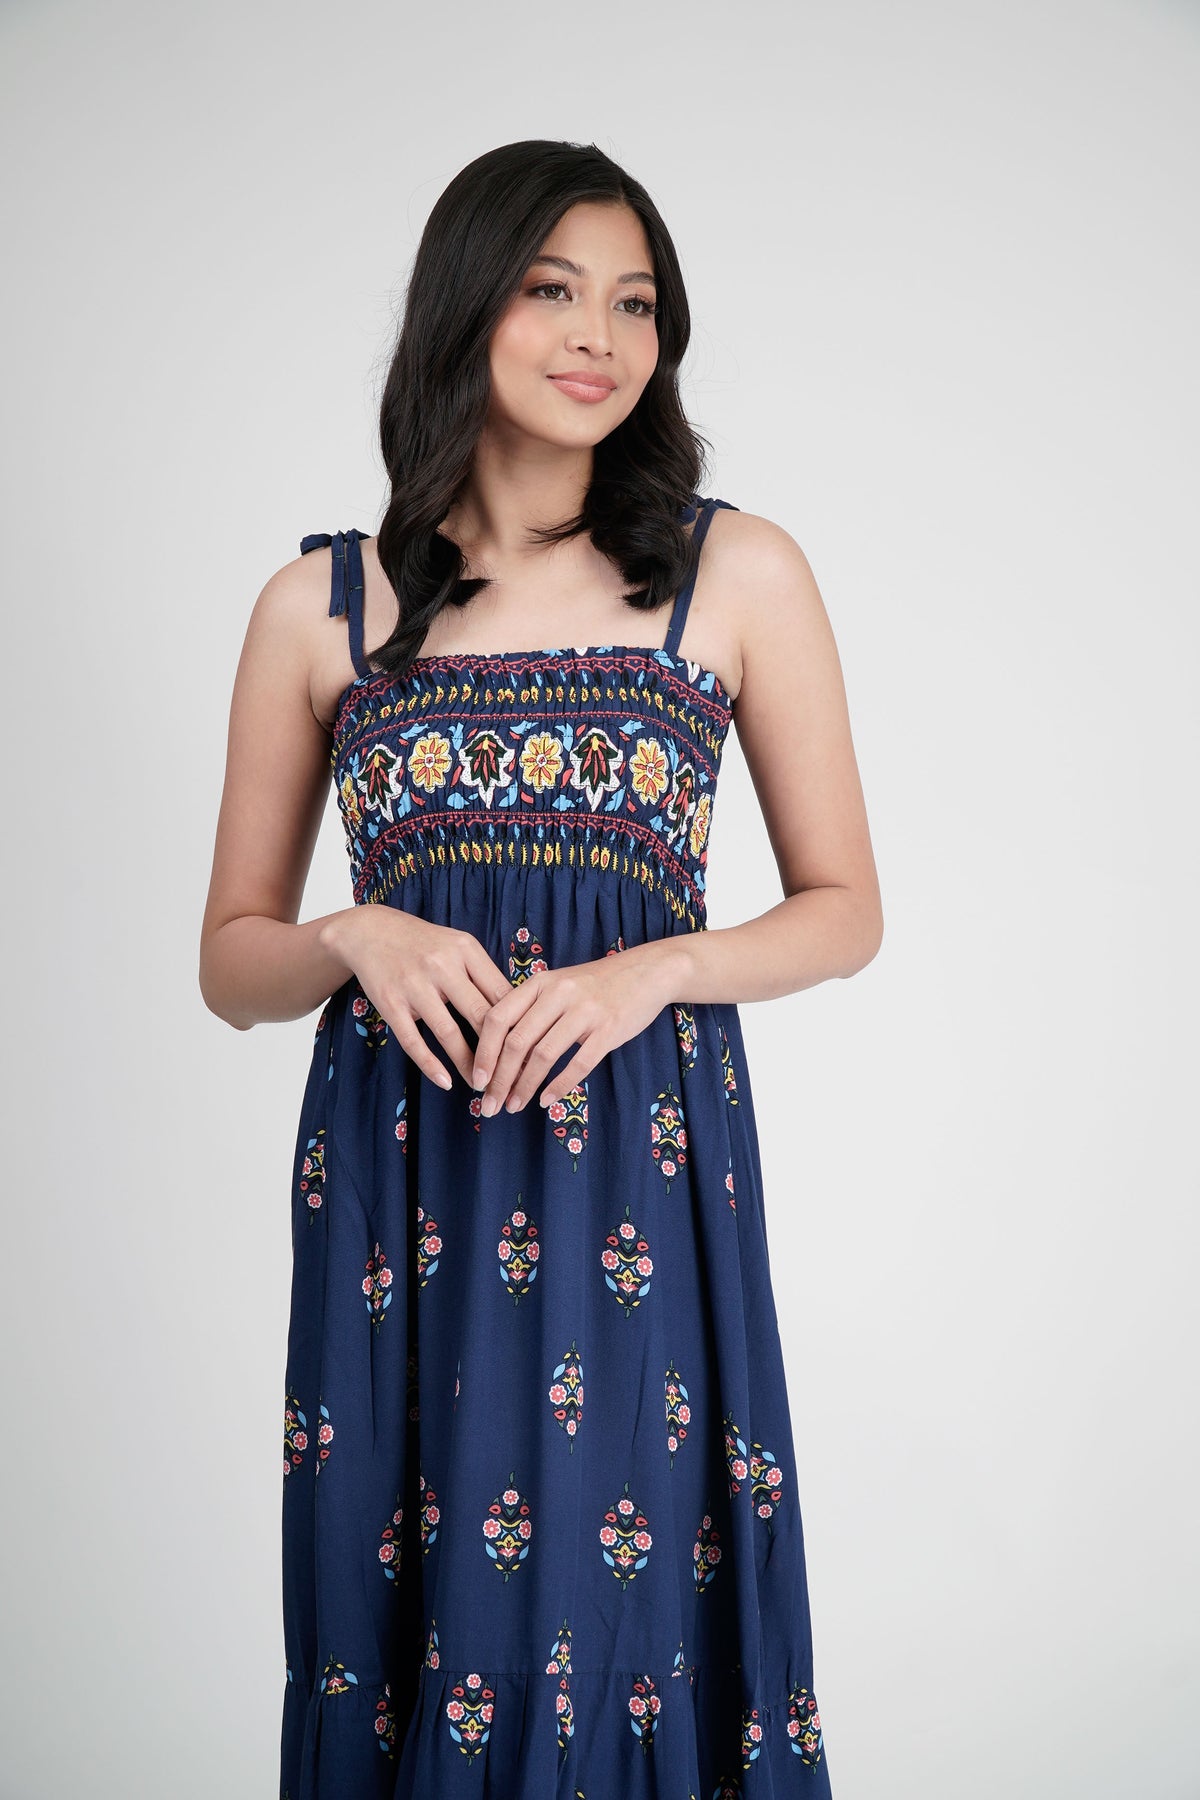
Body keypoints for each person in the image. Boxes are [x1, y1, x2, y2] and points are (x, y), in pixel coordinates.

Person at [199, 137, 882, 1799]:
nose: (600, 336)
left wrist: (655, 973)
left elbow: (845, 908)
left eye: (636, 304)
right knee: (399, 1613)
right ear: (466, 305)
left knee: (627, 1605)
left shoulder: (732, 575)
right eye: (554, 289)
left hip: (638, 1184)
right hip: (401, 1189)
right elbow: (232, 961)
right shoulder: (322, 608)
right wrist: (350, 933)